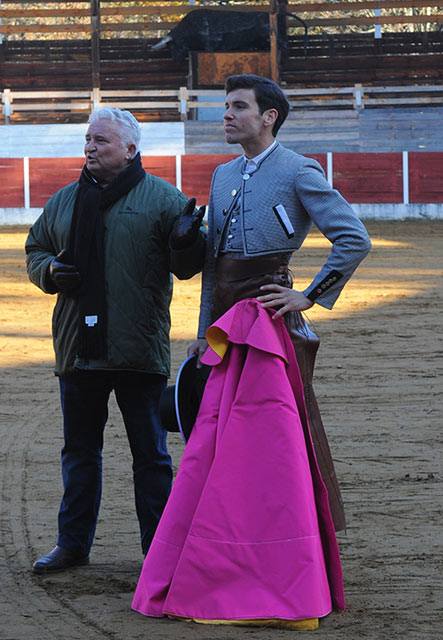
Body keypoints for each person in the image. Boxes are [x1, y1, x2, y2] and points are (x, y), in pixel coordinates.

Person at [132, 75, 371, 628]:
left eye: (239, 107)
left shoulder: (298, 170)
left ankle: (273, 573)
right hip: (228, 329)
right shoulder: (222, 175)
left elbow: (352, 237)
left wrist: (307, 295)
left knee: (269, 450)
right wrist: (202, 327)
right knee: (217, 446)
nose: (228, 115)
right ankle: (223, 567)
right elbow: (215, 263)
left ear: (269, 117)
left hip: (267, 324)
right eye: (227, 106)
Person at [25, 106, 206, 575]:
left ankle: (160, 550)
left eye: (101, 140)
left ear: (130, 149)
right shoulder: (64, 201)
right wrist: (49, 271)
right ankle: (73, 545)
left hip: (138, 350)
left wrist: (188, 242)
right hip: (78, 352)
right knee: (80, 453)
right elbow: (35, 249)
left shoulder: (165, 200)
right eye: (88, 139)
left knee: (151, 457)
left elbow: (187, 267)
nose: (90, 146)